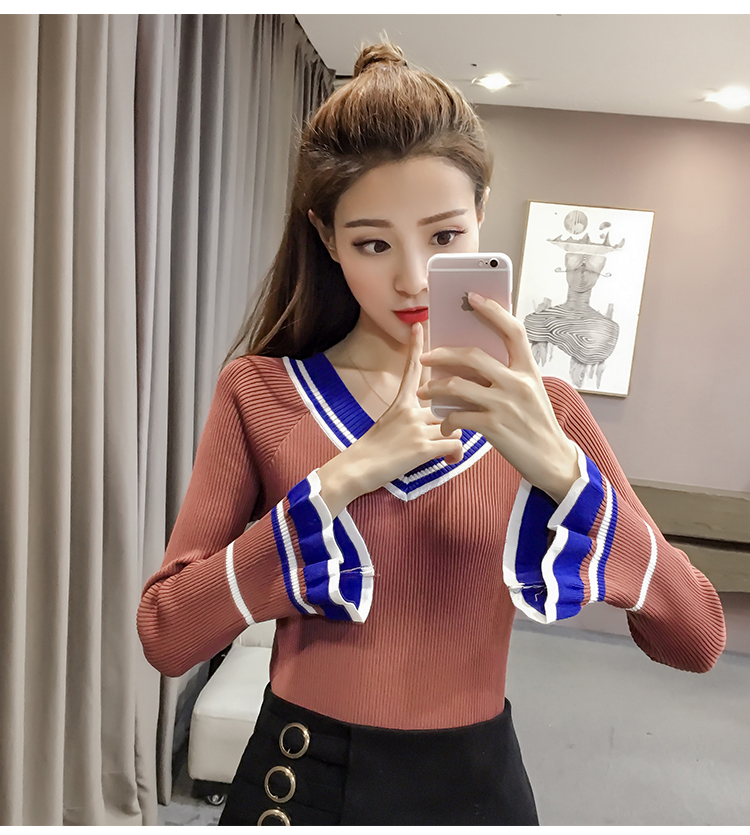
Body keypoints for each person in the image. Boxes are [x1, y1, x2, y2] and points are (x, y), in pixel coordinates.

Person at [137, 41, 726, 826]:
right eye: (373, 243)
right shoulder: (261, 392)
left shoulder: (546, 411)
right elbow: (168, 633)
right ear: (326, 235)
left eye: (444, 237)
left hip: (475, 790)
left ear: (481, 211)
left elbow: (698, 637)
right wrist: (340, 480)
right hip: (300, 783)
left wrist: (562, 471)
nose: (413, 277)